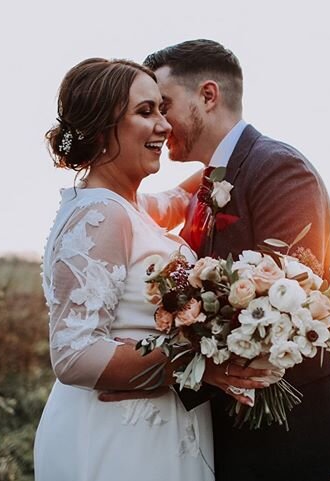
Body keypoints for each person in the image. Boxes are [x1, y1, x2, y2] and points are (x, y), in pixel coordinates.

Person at [142, 39, 330, 481]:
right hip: (240, 421)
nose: (158, 122)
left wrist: (157, 375)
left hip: (291, 429)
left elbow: (284, 307)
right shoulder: (213, 178)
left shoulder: (278, 168)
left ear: (208, 96)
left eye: (164, 105)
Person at [34, 57, 269, 481]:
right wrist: (196, 366)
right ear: (103, 128)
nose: (164, 125)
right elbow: (74, 355)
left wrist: (240, 156)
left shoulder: (129, 206)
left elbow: (178, 199)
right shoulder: (103, 215)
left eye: (162, 109)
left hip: (154, 425)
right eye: (146, 112)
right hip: (120, 437)